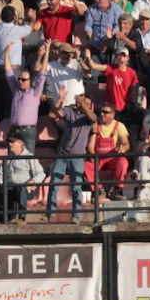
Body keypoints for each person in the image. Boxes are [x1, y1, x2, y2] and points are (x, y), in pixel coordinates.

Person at [47, 92, 95, 223]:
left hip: (78, 157)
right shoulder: (69, 111)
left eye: (89, 104)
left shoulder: (89, 117)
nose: (87, 106)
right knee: (53, 184)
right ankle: (50, 214)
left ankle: (76, 217)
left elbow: (93, 118)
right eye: (84, 103)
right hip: (62, 155)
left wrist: (83, 103)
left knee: (76, 188)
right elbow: (54, 114)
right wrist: (60, 99)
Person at [0, 128, 45, 223]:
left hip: (25, 189)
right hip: (11, 187)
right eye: (9, 142)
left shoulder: (29, 157)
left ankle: (22, 218)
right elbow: (1, 175)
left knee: (21, 188)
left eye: (12, 142)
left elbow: (41, 174)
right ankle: (2, 218)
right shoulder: (7, 159)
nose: (9, 144)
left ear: (20, 143)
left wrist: (30, 183)